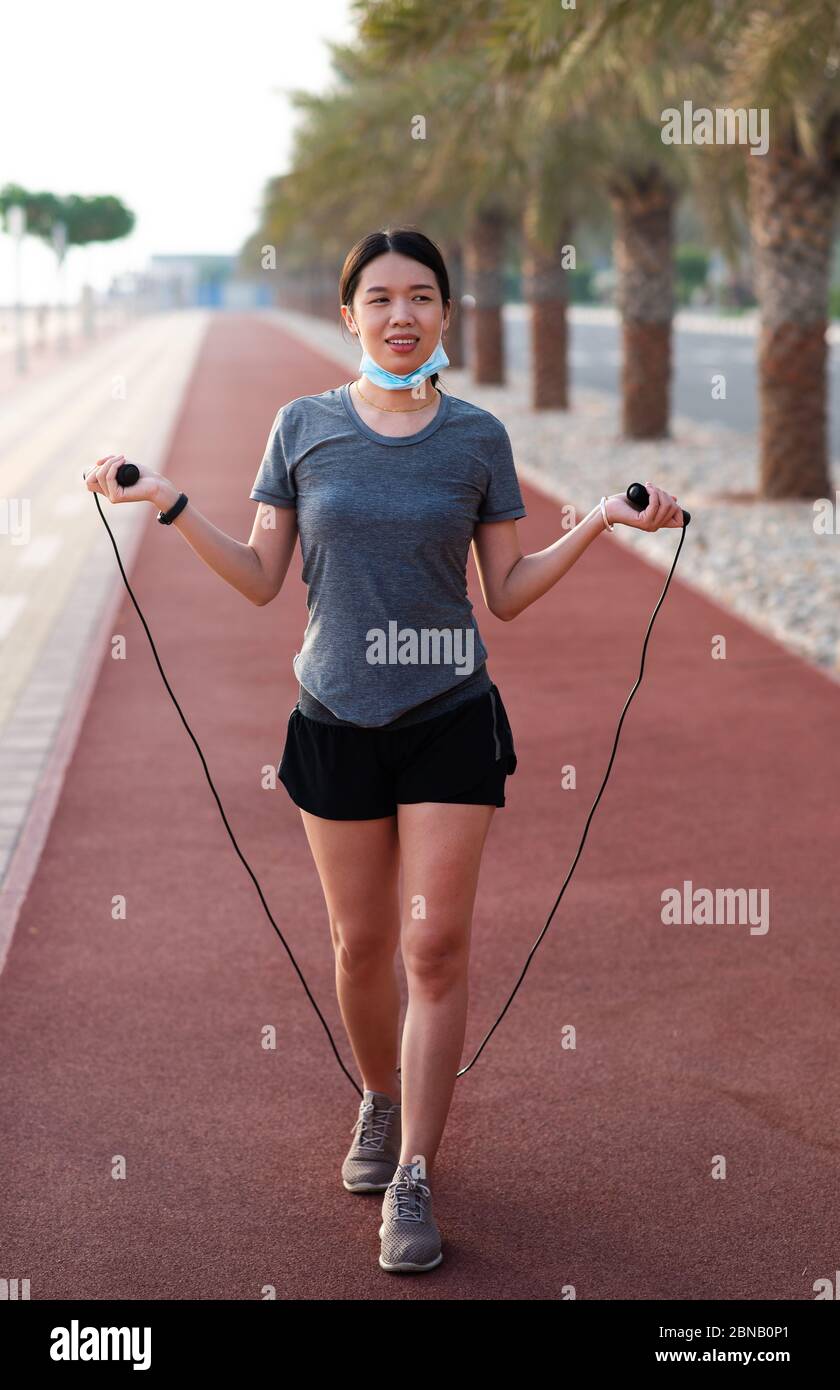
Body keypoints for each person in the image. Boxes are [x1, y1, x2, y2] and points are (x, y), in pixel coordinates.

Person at [84, 225, 682, 1276]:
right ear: (353, 312)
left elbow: (507, 590)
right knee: (361, 948)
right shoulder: (301, 426)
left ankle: (412, 1171)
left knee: (433, 949)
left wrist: (594, 523)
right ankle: (378, 1094)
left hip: (450, 717)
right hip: (333, 722)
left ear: (446, 315)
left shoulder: (477, 438)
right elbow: (264, 577)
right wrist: (167, 502)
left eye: (421, 297)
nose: (401, 314)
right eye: (380, 297)